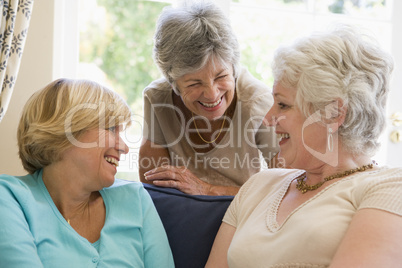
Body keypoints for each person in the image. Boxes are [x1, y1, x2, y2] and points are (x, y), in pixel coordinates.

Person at [206, 25, 402, 267]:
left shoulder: (391, 187)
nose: (267, 119)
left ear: (333, 113)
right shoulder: (259, 185)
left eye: (283, 105)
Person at [0, 79, 174, 267]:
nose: (124, 147)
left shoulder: (136, 199)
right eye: (111, 129)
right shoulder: (10, 198)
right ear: (65, 132)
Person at [139, 1, 279, 196]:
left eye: (221, 77)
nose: (212, 94)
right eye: (194, 83)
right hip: (182, 212)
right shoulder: (157, 98)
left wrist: (208, 190)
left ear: (233, 67)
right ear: (173, 83)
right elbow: (155, 189)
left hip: (242, 212)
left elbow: (285, 189)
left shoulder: (257, 101)